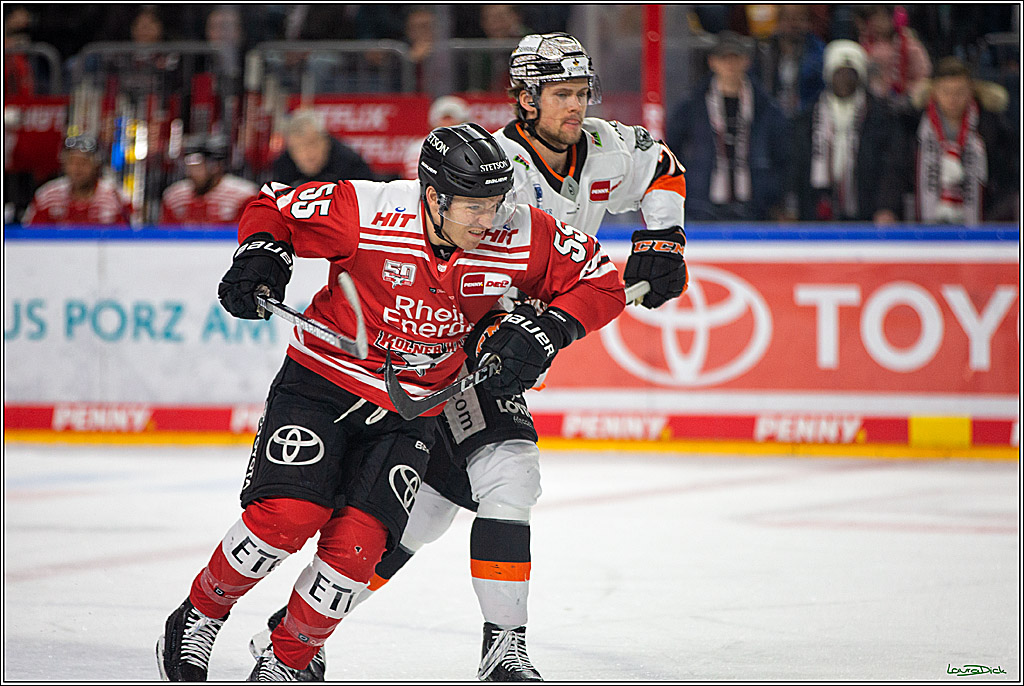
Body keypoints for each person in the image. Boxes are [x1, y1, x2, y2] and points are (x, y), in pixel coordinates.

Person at [250, 32, 689, 682]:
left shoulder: (604, 146)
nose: (574, 107)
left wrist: (663, 234)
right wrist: (510, 331)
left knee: (422, 517)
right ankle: (497, 648)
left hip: (498, 353)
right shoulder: (494, 170)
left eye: (580, 93)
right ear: (524, 97)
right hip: (447, 357)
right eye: (559, 94)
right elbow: (461, 269)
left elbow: (663, 165)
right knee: (509, 475)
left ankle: (293, 637)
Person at [156, 121, 626, 681]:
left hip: (412, 413)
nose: (489, 220)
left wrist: (549, 329)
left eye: (496, 203)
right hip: (323, 385)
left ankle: (287, 659)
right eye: (474, 207)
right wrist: (262, 255)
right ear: (433, 196)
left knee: (357, 550)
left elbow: (601, 280)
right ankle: (200, 616)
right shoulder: (368, 207)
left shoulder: (523, 232)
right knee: (285, 519)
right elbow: (274, 205)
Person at [666, 30, 790, 221]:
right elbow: (671, 151)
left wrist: (769, 191)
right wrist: (688, 186)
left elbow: (783, 154)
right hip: (702, 207)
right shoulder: (693, 105)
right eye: (724, 58)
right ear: (712, 62)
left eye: (736, 58)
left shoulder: (766, 108)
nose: (730, 64)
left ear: (746, 61)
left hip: (754, 208)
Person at [788, 40, 905, 224]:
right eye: (838, 73)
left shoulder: (883, 116)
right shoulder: (807, 118)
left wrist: (886, 206)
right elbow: (795, 165)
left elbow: (892, 166)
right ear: (828, 75)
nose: (844, 79)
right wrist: (791, 207)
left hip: (868, 213)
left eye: (851, 73)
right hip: (817, 213)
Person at [908, 56, 1017, 224]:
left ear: (971, 91)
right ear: (934, 91)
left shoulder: (992, 126)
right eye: (946, 92)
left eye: (960, 92)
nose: (953, 99)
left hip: (983, 219)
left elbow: (1007, 175)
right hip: (927, 221)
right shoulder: (914, 124)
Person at [22, 134, 132, 225]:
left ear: (97, 166)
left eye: (84, 162)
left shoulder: (116, 198)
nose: (77, 168)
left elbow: (131, 239)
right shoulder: (47, 196)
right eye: (71, 162)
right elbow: (29, 237)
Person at [159, 134, 258, 225]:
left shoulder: (244, 196)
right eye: (189, 166)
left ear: (216, 166)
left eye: (198, 166)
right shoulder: (174, 196)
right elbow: (166, 236)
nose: (192, 172)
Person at [270, 109, 375, 187]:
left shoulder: (352, 165)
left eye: (311, 144)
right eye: (298, 148)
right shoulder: (281, 168)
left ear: (326, 141)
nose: (307, 155)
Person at [755, 4, 826, 119]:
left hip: (806, 119)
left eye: (799, 18)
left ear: (809, 23)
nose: (793, 24)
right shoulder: (763, 52)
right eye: (787, 18)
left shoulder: (819, 54)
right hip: (770, 118)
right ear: (778, 22)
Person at [854, 5, 931, 108]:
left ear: (894, 19)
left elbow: (923, 76)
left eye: (882, 18)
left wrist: (909, 92)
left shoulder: (910, 46)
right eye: (874, 19)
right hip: (874, 103)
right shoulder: (865, 47)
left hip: (906, 102)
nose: (877, 23)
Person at [403, 95, 471, 179]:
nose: (448, 124)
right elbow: (417, 181)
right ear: (433, 123)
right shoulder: (419, 148)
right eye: (444, 119)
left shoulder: (474, 148)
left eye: (453, 120)